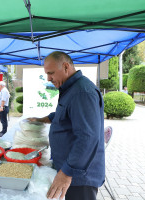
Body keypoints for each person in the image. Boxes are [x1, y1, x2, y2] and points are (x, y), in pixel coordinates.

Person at [28, 51, 105, 200]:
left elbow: (87, 137)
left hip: (80, 177)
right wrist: (44, 119)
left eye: (51, 73)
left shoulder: (82, 92)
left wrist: (66, 172)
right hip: (72, 171)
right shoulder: (71, 89)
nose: (48, 78)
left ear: (65, 67)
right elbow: (65, 114)